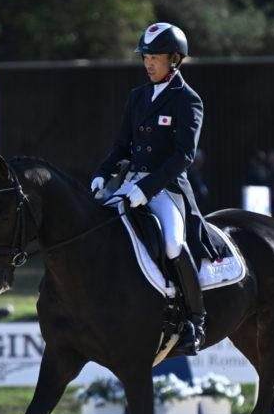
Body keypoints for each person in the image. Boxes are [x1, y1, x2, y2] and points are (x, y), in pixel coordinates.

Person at [90, 22, 218, 355]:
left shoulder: (187, 101)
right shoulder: (137, 97)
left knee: (174, 244)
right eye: (145, 56)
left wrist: (146, 189)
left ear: (175, 60)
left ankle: (196, 321)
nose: (148, 63)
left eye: (155, 57)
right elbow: (122, 145)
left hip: (166, 188)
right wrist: (103, 173)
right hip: (131, 183)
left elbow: (183, 156)